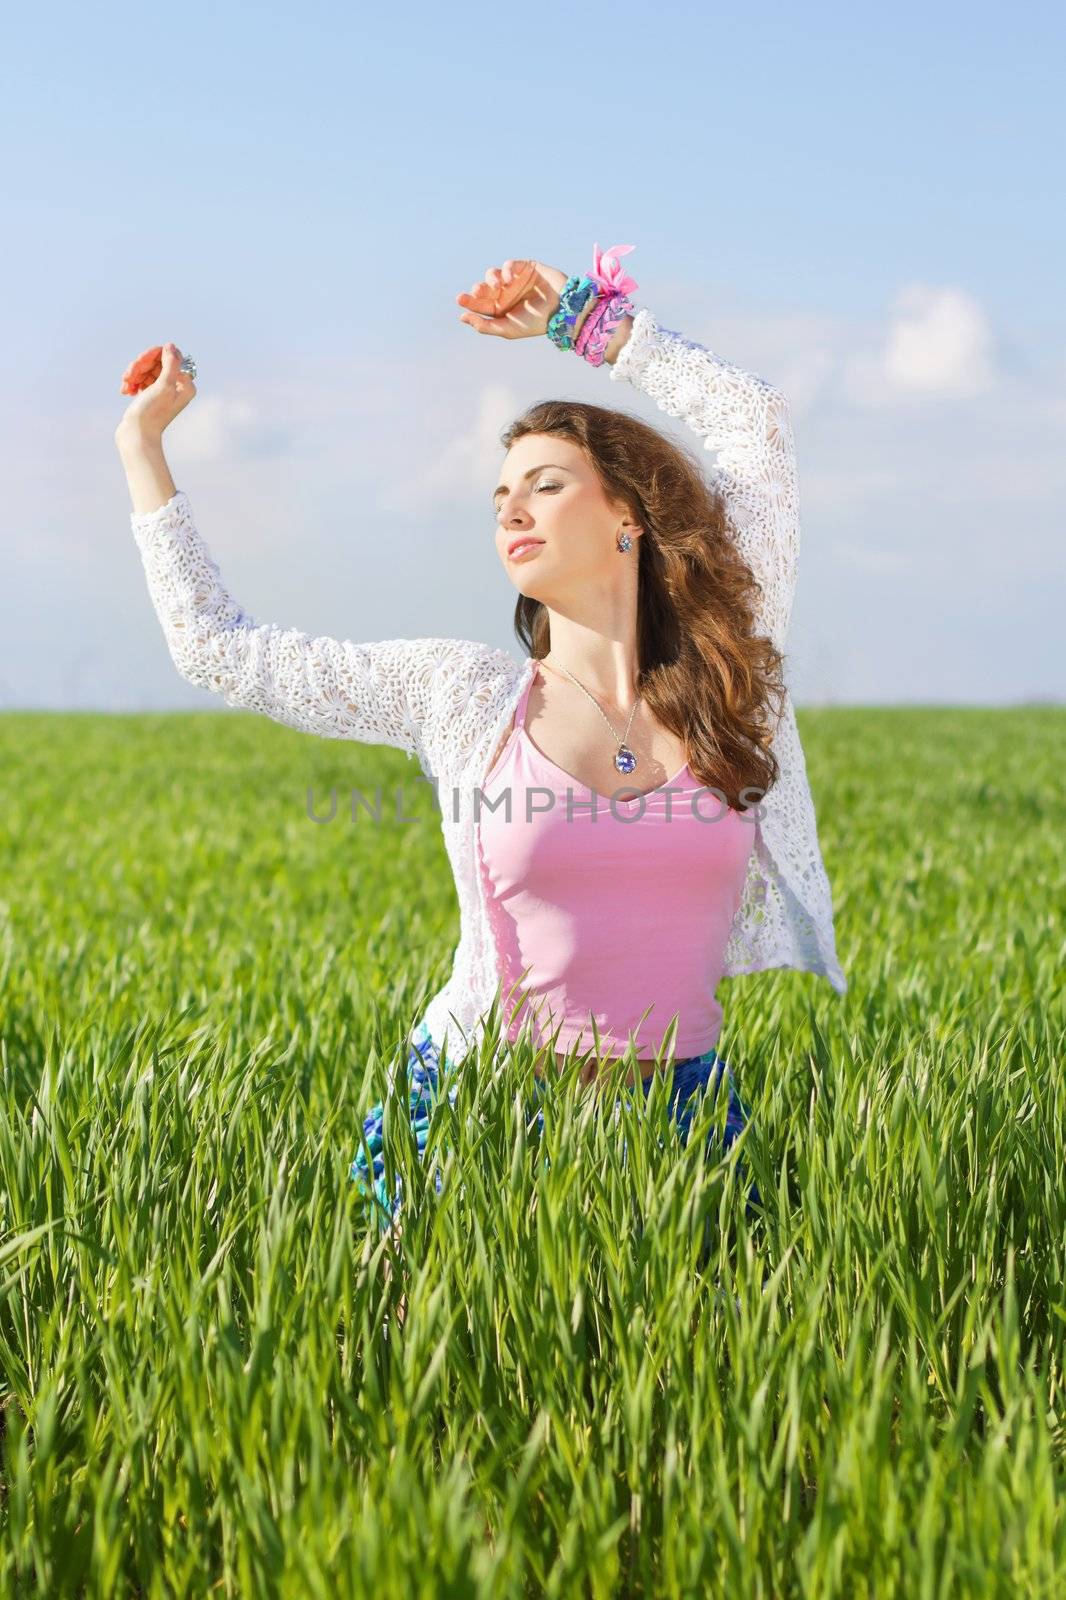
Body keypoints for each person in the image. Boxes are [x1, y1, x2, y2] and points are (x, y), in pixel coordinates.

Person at [115, 248, 847, 1296]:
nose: (509, 508)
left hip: (685, 1126)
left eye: (544, 485)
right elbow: (220, 648)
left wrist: (591, 326)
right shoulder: (461, 697)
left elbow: (754, 425)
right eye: (499, 493)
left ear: (628, 517)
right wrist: (141, 446)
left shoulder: (730, 669)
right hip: (479, 1122)